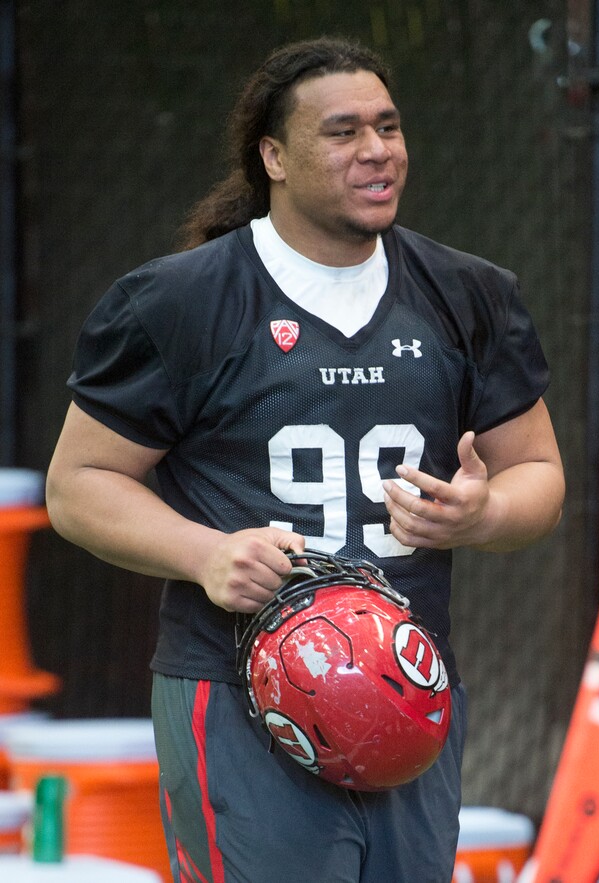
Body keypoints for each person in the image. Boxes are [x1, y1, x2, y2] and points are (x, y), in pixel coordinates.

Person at [46, 35, 565, 883]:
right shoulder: (180, 302)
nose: (377, 151)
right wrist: (206, 552)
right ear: (273, 156)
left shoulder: (468, 293)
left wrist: (487, 512)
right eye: (343, 131)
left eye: (389, 128)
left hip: (410, 685)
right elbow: (78, 486)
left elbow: (538, 476)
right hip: (241, 690)